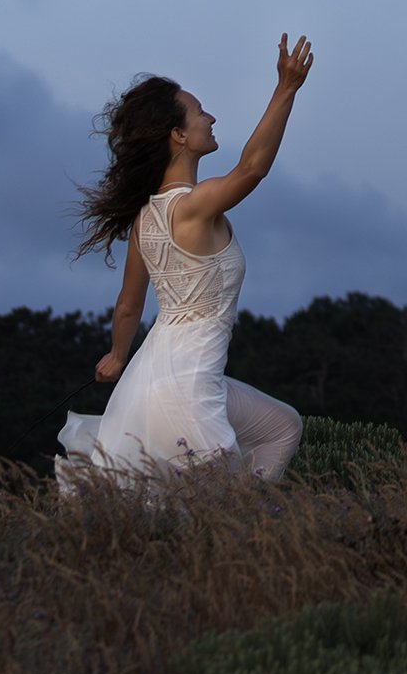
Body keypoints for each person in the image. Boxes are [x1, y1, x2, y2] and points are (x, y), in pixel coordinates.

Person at [57, 34, 314, 495]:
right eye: (199, 112)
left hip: (149, 382)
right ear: (178, 134)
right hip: (187, 391)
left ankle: (251, 527)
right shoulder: (195, 206)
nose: (210, 118)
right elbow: (252, 168)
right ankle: (252, 536)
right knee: (222, 515)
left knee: (282, 425)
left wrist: (117, 357)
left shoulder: (144, 220)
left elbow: (127, 308)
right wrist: (286, 89)